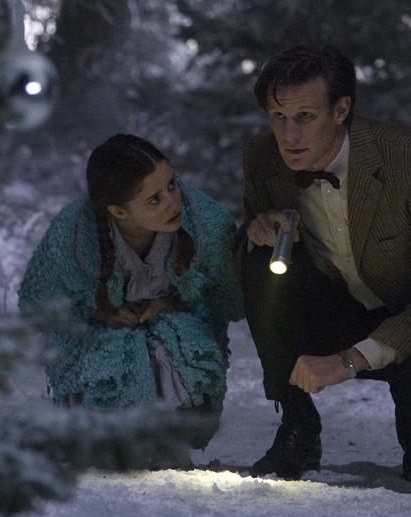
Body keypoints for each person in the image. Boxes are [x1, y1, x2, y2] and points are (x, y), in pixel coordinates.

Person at [239, 45, 411, 482]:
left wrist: (348, 361)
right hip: (338, 303)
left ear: (341, 110)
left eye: (305, 116)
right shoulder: (263, 158)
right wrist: (258, 230)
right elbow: (255, 260)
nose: (289, 135)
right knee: (263, 265)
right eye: (278, 116)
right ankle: (298, 425)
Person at [18, 134, 243, 448]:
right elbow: (40, 303)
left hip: (177, 336)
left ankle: (178, 422)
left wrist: (169, 305)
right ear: (119, 211)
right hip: (101, 339)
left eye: (172, 185)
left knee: (169, 353)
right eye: (154, 200)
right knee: (108, 372)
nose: (173, 202)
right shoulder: (74, 231)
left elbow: (230, 298)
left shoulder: (205, 223)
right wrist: (100, 313)